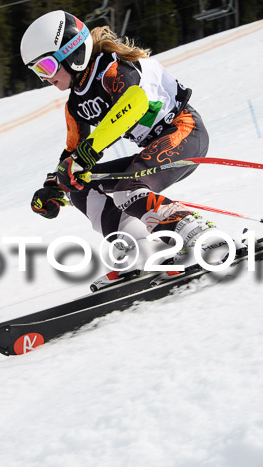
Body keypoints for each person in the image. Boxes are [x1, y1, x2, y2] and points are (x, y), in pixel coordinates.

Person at [21, 10, 228, 289]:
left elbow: (135, 103)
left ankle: (197, 234)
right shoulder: (75, 104)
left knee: (126, 188)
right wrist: (54, 186)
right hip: (153, 147)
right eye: (36, 71)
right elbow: (73, 152)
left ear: (73, 53)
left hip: (184, 131)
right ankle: (138, 248)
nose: (44, 78)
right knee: (80, 185)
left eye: (46, 67)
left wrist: (90, 151)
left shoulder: (112, 67)